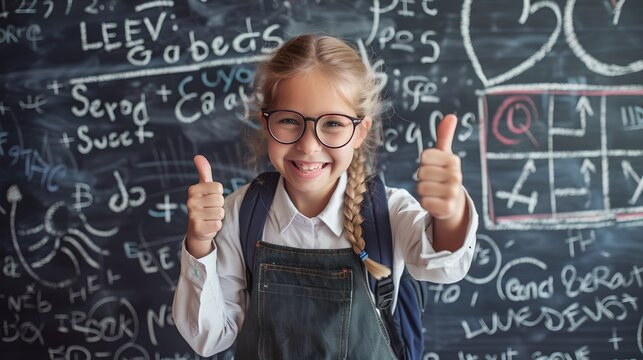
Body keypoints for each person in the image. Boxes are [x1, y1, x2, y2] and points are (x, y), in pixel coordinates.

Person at [172, 34, 478, 359]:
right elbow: (208, 337)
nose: (309, 145)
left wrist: (450, 214)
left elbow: (443, 267)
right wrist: (200, 245)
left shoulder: (388, 213)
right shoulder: (239, 215)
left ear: (360, 132)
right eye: (289, 120)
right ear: (266, 122)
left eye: (332, 123)